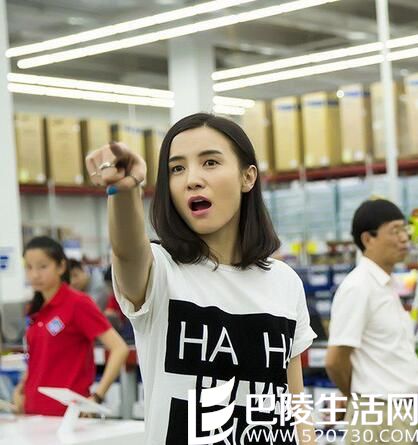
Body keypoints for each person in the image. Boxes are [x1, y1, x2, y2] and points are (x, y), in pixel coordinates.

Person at [86, 113, 317, 444]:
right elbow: (127, 252)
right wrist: (125, 190)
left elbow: (294, 403)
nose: (192, 179)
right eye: (177, 168)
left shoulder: (284, 281)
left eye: (210, 162)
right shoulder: (161, 271)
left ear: (248, 177)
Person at [326, 199, 418, 444]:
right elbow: (335, 360)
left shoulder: (386, 285)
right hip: (379, 414)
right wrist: (357, 396)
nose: (404, 238)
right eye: (395, 231)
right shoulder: (358, 287)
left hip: (401, 411)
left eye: (405, 229)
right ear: (368, 239)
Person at [13, 236, 129, 416]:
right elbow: (37, 360)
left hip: (68, 415)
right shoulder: (36, 309)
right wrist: (20, 389)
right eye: (29, 267)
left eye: (42, 266)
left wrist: (96, 397)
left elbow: (120, 348)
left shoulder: (78, 303)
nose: (34, 274)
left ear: (61, 266)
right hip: (33, 412)